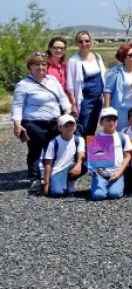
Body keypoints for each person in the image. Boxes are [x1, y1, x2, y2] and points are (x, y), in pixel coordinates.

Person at [13, 52, 71, 188]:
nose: (40, 67)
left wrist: (67, 112)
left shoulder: (52, 80)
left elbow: (62, 98)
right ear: (30, 67)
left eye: (43, 64)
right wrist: (16, 123)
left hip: (54, 122)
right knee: (36, 150)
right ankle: (35, 179)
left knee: (55, 149)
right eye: (36, 64)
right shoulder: (23, 84)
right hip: (34, 123)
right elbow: (17, 105)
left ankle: (53, 176)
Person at [66, 30, 106, 136]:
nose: (84, 44)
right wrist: (73, 105)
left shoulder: (97, 57)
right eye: (81, 41)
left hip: (98, 99)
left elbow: (103, 78)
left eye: (87, 41)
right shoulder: (74, 61)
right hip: (84, 100)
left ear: (91, 41)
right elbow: (70, 86)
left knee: (93, 127)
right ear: (76, 43)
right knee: (82, 127)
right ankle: (80, 151)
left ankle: (90, 151)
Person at [90, 107, 132, 200]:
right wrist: (97, 169)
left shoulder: (123, 137)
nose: (111, 123)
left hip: (117, 172)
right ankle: (102, 186)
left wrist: (120, 172)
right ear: (101, 122)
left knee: (115, 195)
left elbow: (127, 156)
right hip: (100, 174)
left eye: (114, 120)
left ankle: (113, 185)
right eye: (108, 120)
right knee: (98, 196)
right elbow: (92, 161)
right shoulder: (95, 139)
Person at [41, 114, 86, 197]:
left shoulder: (79, 139)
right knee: (58, 193)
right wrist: (46, 183)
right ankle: (57, 181)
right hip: (57, 170)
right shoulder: (53, 142)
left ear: (75, 126)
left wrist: (78, 165)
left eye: (72, 125)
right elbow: (48, 163)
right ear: (59, 128)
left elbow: (81, 154)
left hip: (70, 167)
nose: (69, 128)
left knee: (84, 166)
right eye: (66, 125)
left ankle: (70, 181)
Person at [103, 43, 132, 130]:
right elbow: (107, 91)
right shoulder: (115, 71)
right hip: (122, 110)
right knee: (121, 136)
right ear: (123, 58)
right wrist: (106, 112)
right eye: (130, 55)